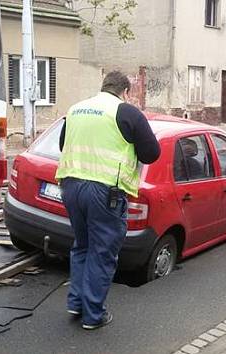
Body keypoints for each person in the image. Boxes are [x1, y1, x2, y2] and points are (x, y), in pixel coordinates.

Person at [55, 71, 161, 330]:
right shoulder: (126, 112)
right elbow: (151, 153)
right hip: (104, 191)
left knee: (82, 245)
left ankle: (76, 302)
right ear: (125, 92)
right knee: (102, 252)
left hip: (70, 186)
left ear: (103, 87)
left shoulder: (76, 109)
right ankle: (93, 315)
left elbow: (62, 144)